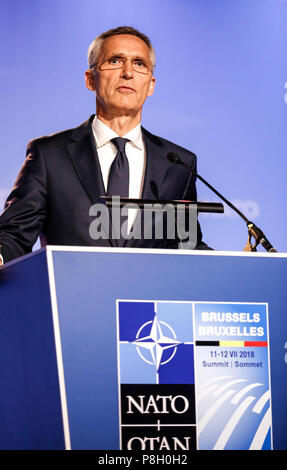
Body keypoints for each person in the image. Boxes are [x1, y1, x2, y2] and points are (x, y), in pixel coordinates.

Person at [0, 26, 209, 265]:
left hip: (144, 300)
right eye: (115, 60)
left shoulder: (178, 163)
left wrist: (236, 268)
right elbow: (14, 234)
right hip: (72, 298)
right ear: (90, 79)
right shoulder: (49, 155)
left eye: (139, 63)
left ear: (151, 85)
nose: (128, 72)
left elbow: (186, 246)